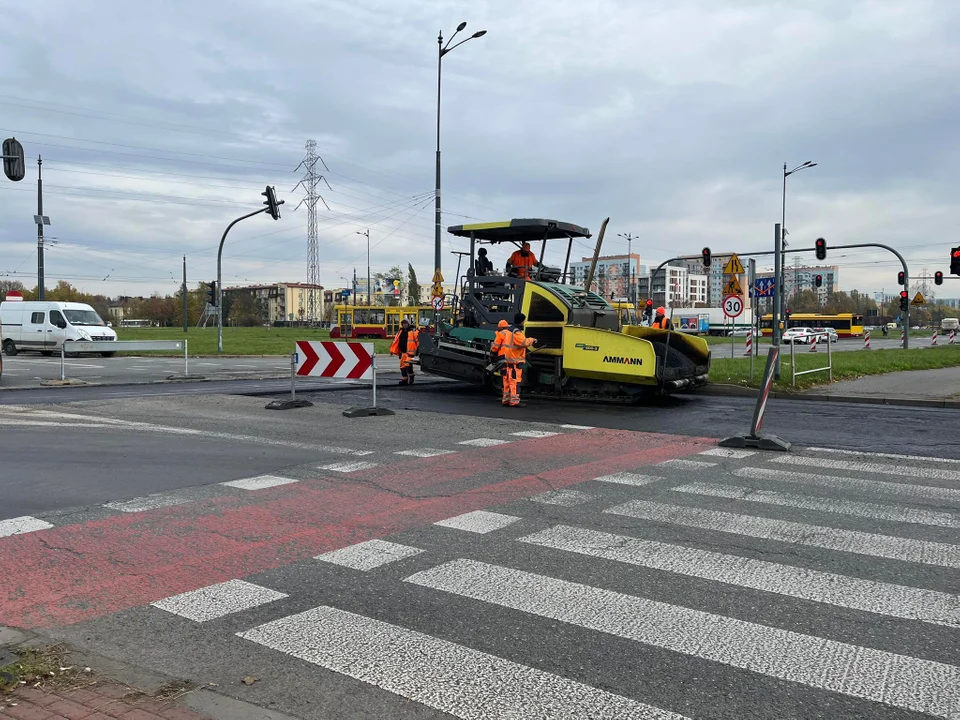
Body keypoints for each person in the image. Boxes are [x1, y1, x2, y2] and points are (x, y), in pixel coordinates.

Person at [499, 312, 536, 407]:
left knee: (507, 381)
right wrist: (532, 340)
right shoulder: (517, 332)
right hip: (515, 361)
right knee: (515, 382)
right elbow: (524, 342)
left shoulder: (509, 330)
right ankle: (514, 401)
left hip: (508, 359)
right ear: (521, 321)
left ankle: (506, 400)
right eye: (524, 320)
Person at [390, 318, 419, 385]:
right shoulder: (400, 332)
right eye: (403, 323)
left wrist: (418, 350)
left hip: (409, 353)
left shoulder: (413, 331)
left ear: (408, 324)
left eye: (405, 323)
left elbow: (417, 341)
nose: (404, 324)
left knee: (408, 365)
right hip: (402, 352)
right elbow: (396, 341)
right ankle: (404, 379)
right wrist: (392, 350)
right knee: (402, 366)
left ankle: (411, 377)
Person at [489, 319, 511, 404]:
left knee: (504, 377)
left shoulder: (500, 334)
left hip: (502, 358)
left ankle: (505, 397)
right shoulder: (511, 333)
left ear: (499, 327)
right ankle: (509, 397)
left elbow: (495, 347)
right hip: (511, 358)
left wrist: (492, 354)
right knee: (511, 378)